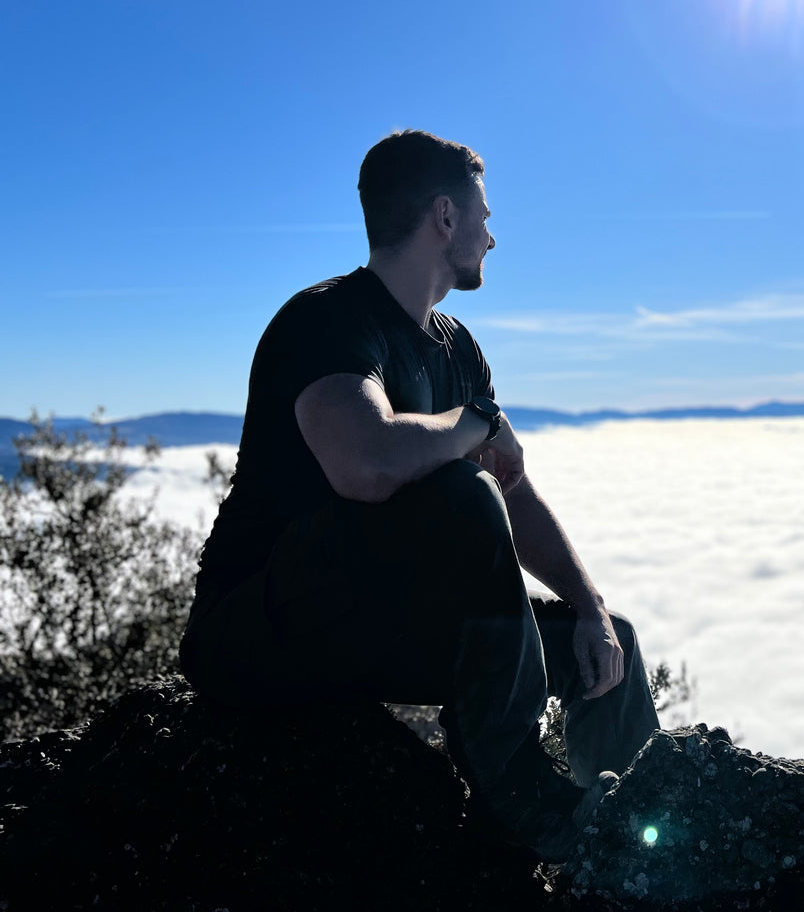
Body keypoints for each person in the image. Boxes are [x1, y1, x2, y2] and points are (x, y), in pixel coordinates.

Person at [179, 129, 660, 862]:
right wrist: (474, 424)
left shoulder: (458, 348)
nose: (492, 237)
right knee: (461, 490)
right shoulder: (326, 320)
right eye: (483, 216)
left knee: (606, 646)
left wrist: (588, 607)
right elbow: (366, 463)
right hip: (259, 628)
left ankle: (625, 844)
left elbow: (514, 492)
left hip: (375, 626)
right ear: (444, 216)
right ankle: (524, 800)